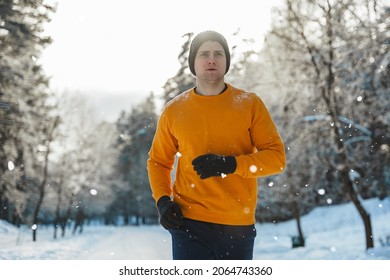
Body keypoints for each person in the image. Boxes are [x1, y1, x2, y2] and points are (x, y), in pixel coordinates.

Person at [147, 30, 286, 260]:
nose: (211, 59)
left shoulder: (249, 104)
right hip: (189, 224)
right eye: (204, 54)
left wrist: (230, 165)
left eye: (218, 54)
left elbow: (276, 159)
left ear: (226, 62)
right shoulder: (174, 110)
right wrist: (163, 201)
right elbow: (158, 162)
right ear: (193, 63)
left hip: (237, 225)